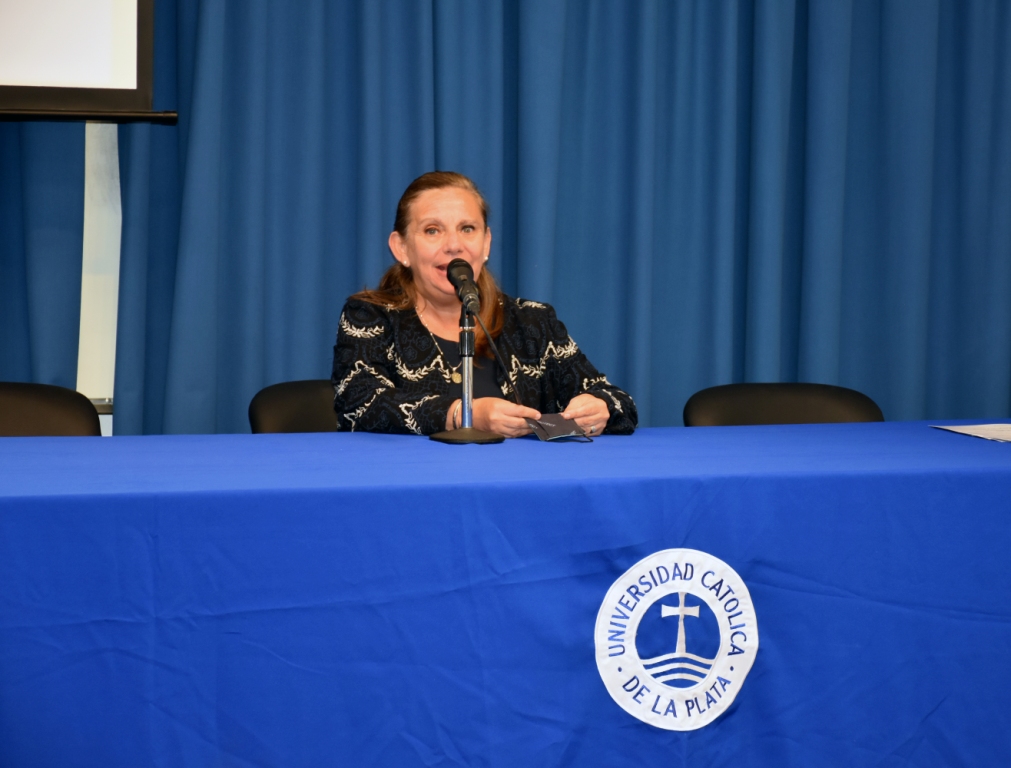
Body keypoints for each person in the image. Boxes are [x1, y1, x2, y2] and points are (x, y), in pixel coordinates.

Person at [331, 171, 637, 437]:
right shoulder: (369, 317)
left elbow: (618, 400)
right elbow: (360, 404)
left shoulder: (533, 322)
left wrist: (600, 409)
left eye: (467, 229)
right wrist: (463, 415)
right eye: (432, 230)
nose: (453, 245)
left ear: (486, 243)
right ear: (401, 248)